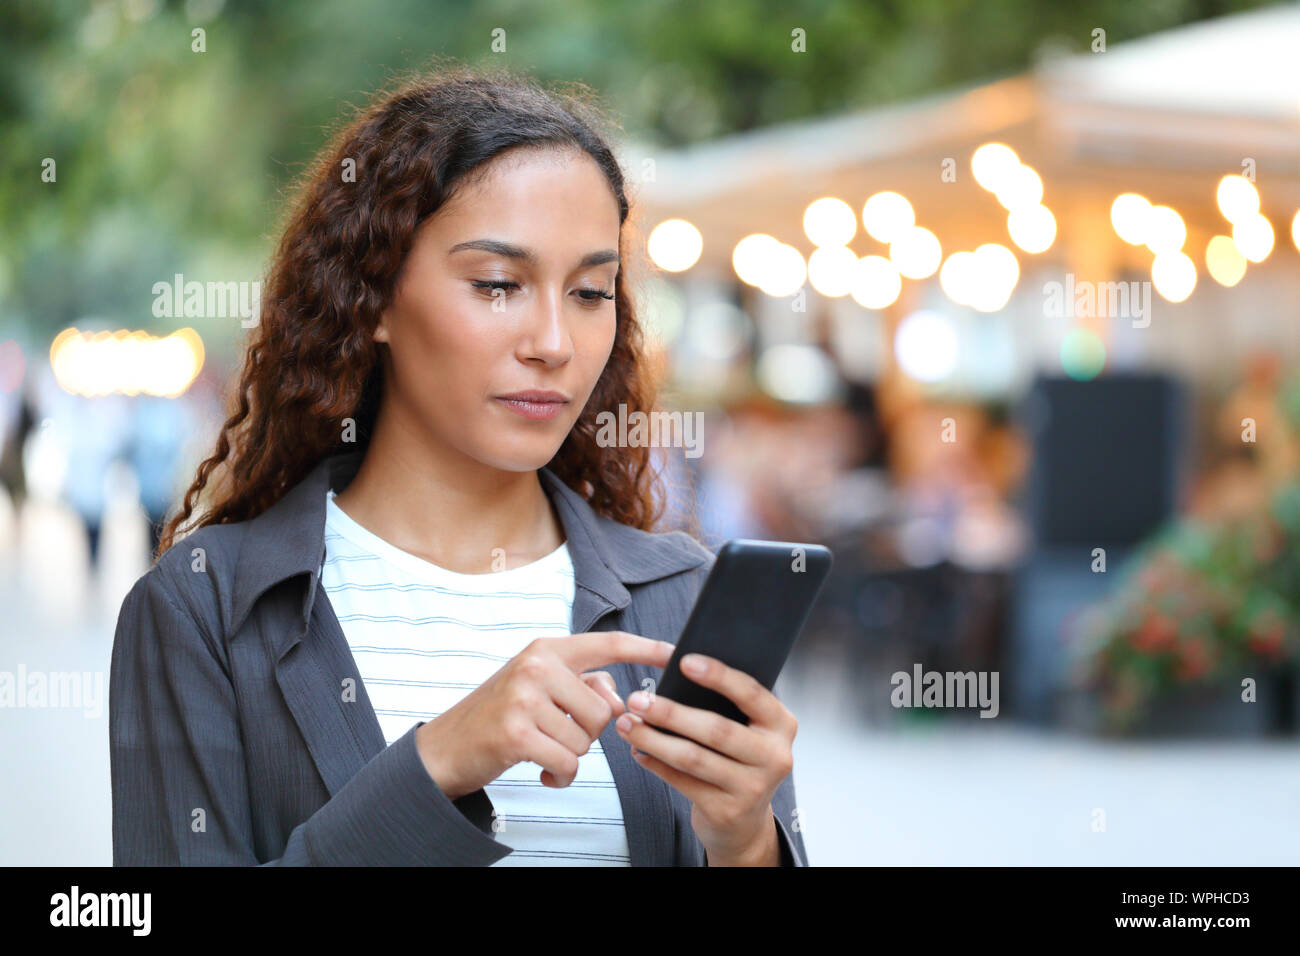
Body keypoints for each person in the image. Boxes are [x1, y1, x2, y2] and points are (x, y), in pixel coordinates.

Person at [110, 65, 807, 867]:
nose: (553, 342)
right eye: (499, 284)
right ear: (372, 298)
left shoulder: (678, 598)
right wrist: (437, 765)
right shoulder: (207, 609)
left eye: (589, 293)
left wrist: (747, 842)